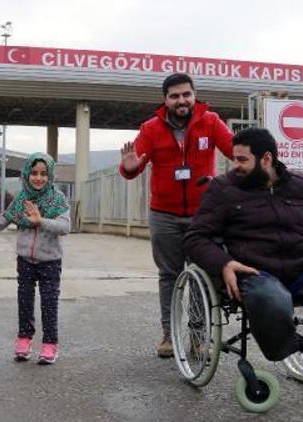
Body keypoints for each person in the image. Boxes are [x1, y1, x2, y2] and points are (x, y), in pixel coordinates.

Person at [183, 127, 303, 369]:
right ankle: (287, 348)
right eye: (233, 158)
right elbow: (195, 238)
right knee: (273, 300)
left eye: (242, 159)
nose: (235, 165)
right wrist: (224, 263)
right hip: (255, 271)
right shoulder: (222, 189)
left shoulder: (300, 185)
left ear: (267, 159)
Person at [118, 73, 234, 357]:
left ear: (194, 95)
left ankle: (197, 337)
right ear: (165, 100)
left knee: (202, 275)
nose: (181, 100)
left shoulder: (211, 122)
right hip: (164, 215)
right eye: (175, 96)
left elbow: (235, 151)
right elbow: (131, 169)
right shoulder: (150, 129)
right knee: (169, 275)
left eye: (186, 94)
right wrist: (130, 166)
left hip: (202, 215)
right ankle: (169, 336)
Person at [0, 152, 70, 364]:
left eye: (43, 173)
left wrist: (40, 221)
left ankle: (50, 344)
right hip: (25, 260)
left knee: (49, 304)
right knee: (24, 302)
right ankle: (24, 339)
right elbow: (1, 221)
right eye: (34, 173)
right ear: (26, 174)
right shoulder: (21, 200)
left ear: (50, 175)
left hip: (50, 261)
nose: (38, 178)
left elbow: (65, 227)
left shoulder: (58, 199)